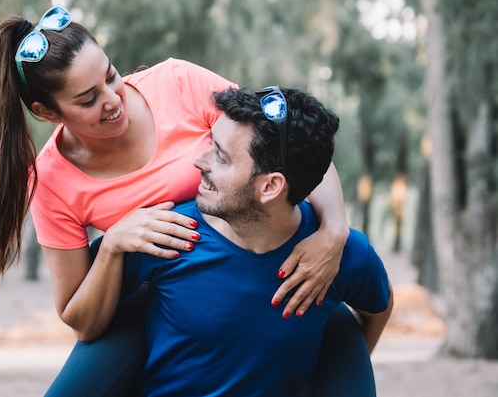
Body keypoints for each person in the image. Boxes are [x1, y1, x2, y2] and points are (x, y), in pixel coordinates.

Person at [0, 6, 350, 396]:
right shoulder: (50, 180)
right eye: (87, 100)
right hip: (163, 295)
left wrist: (335, 231)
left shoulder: (177, 82)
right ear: (46, 112)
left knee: (339, 334)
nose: (113, 99)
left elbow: (291, 146)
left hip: (271, 265)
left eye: (111, 75)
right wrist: (113, 245)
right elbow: (81, 320)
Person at [113, 86, 393, 396]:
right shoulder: (166, 231)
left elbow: (378, 308)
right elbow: (85, 319)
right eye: (210, 143)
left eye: (221, 157)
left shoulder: (340, 255)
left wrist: (338, 374)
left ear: (271, 186)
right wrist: (112, 243)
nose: (198, 161)